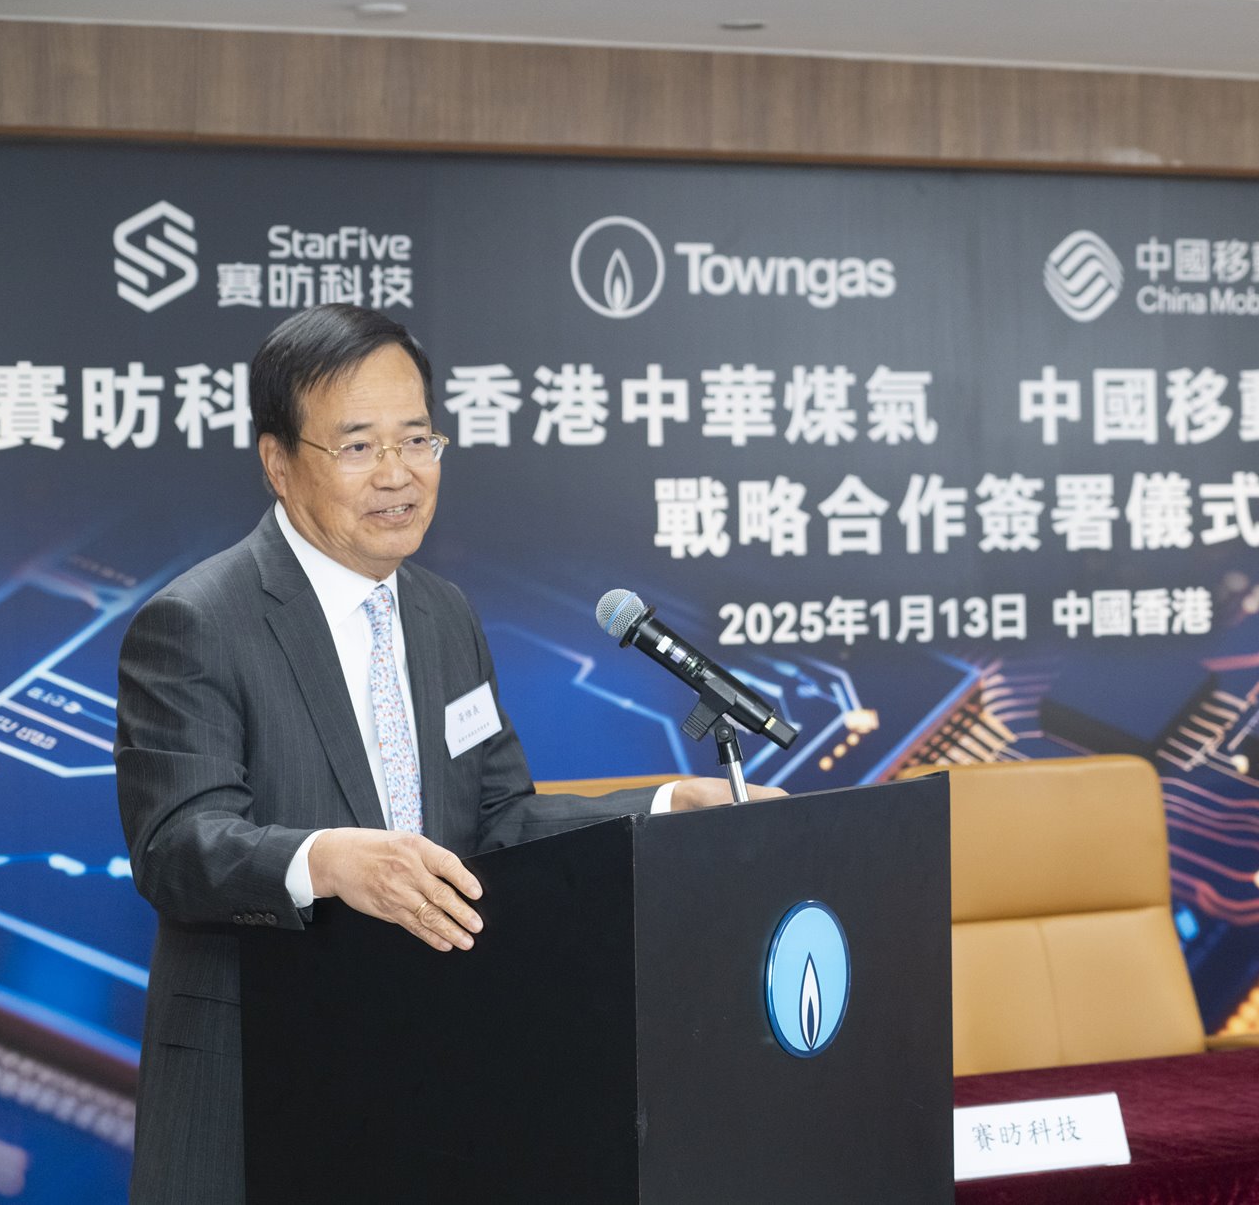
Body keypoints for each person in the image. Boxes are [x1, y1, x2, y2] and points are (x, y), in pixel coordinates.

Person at [114, 304, 777, 1203]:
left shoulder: (442, 614)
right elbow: (174, 846)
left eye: (417, 439)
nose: (398, 473)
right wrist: (328, 860)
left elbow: (498, 819)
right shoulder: (198, 622)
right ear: (278, 461)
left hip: (427, 1082)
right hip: (260, 1086)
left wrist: (663, 809)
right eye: (358, 446)